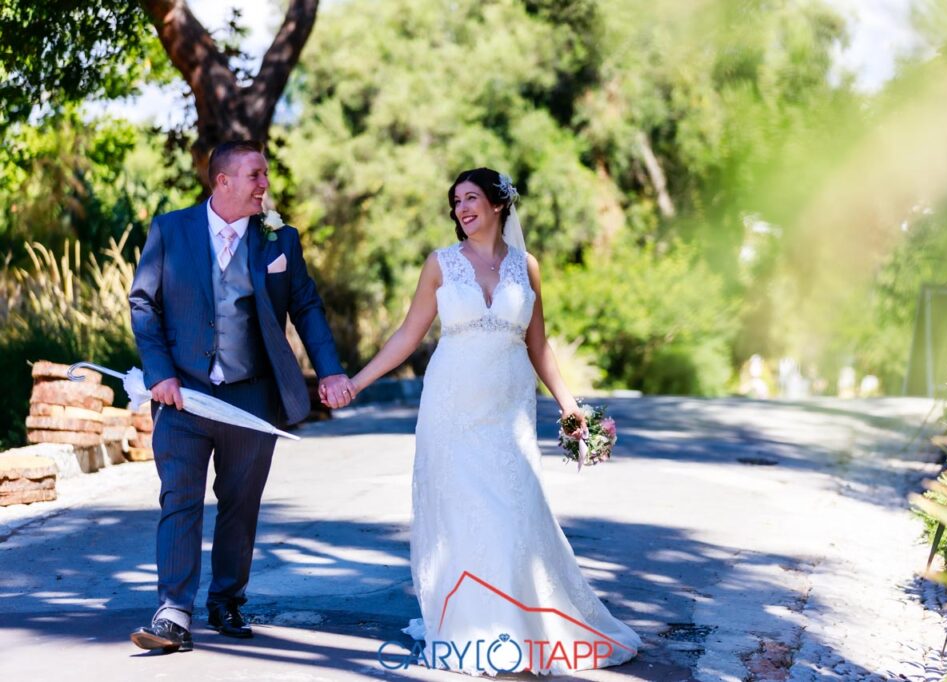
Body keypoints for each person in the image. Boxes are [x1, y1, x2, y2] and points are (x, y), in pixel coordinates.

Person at [349, 168, 641, 674]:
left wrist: (569, 405)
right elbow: (407, 336)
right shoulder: (440, 265)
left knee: (513, 517)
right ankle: (479, 632)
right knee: (466, 518)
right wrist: (356, 382)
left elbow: (539, 345)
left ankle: (524, 630)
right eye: (456, 201)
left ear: (498, 205)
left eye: (472, 198)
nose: (462, 209)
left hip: (509, 414)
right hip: (451, 409)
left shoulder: (526, 267)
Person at [127, 140, 357, 653]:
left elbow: (307, 307)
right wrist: (159, 372)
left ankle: (226, 599)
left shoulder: (280, 239)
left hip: (253, 398)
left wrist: (331, 372)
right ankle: (173, 612)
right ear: (223, 181)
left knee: (240, 504)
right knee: (179, 501)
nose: (264, 185)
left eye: (265, 175)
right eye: (255, 175)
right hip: (182, 396)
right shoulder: (171, 229)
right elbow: (144, 303)